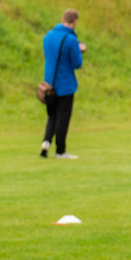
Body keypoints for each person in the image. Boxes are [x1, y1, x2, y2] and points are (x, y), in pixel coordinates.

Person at [40, 8, 86, 159]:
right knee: (62, 118)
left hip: (49, 83)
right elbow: (77, 63)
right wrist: (80, 50)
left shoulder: (48, 35)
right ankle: (60, 151)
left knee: (52, 116)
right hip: (65, 84)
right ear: (75, 22)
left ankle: (46, 143)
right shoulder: (71, 39)